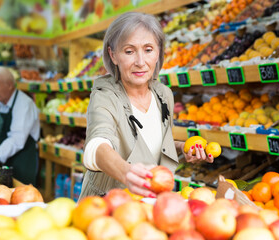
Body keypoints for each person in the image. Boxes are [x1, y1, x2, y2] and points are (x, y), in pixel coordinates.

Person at [80, 12, 214, 199]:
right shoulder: (105, 96)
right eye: (129, 51)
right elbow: (97, 144)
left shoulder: (163, 95)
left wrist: (182, 148)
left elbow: (150, 144)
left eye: (148, 49)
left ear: (159, 52)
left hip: (150, 204)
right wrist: (126, 172)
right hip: (106, 205)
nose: (140, 62)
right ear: (113, 55)